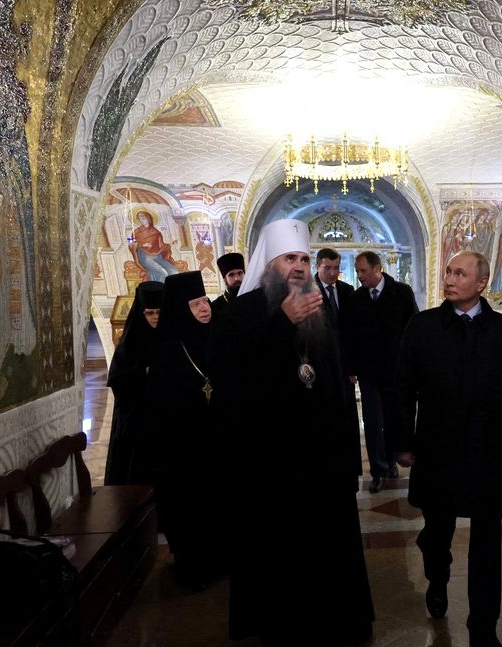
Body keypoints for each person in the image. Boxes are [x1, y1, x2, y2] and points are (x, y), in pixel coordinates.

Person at [209, 220, 373, 646]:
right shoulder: (241, 314)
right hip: (271, 461)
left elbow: (333, 379)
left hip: (322, 457)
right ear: (270, 265)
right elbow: (235, 380)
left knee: (327, 547)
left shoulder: (318, 308)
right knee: (279, 551)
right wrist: (281, 323)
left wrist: (347, 452)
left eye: (303, 258)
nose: (299, 266)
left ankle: (333, 620)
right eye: (289, 259)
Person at [393, 250, 502, 647]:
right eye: (448, 272)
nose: (450, 279)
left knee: (487, 543)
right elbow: (403, 388)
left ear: (481, 282)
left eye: (460, 273)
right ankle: (437, 577)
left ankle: (483, 628)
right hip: (436, 451)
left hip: (488, 453)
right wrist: (402, 442)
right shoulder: (422, 327)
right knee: (437, 533)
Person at [142, 271, 222, 590]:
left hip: (217, 445)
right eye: (195, 304)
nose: (204, 308)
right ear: (180, 309)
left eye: (205, 301)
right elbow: (159, 408)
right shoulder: (166, 351)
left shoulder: (217, 337)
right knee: (191, 511)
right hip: (183, 452)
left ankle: (222, 561)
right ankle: (194, 569)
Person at [345, 250, 418, 493]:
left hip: (395, 371)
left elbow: (413, 328)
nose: (359, 276)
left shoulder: (402, 293)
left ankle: (391, 462)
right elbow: (350, 337)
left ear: (378, 269)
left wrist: (412, 364)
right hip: (368, 373)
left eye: (363, 271)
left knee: (393, 419)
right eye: (357, 271)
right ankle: (377, 470)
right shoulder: (356, 298)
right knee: (373, 423)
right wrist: (351, 368)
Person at [104, 281, 163, 486]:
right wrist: (142, 373)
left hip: (163, 420)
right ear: (141, 313)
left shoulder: (169, 338)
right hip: (135, 421)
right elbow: (117, 379)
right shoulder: (129, 343)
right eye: (149, 312)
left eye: (159, 312)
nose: (155, 317)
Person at [129, 209, 180, 282]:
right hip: (145, 257)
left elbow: (161, 246)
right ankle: (159, 288)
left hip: (157, 256)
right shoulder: (136, 232)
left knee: (174, 271)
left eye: (143, 218)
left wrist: (171, 244)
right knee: (162, 272)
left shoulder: (156, 232)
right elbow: (130, 243)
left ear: (148, 219)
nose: (141, 220)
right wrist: (142, 244)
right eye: (140, 219)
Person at [210, 252, 245, 322]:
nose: (237, 278)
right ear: (225, 279)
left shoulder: (254, 297)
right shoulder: (215, 306)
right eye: (231, 275)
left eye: (240, 273)